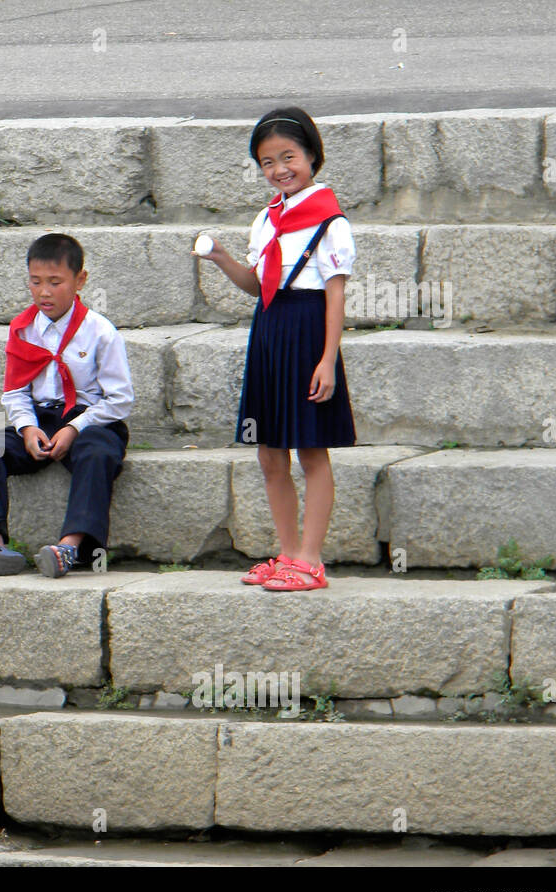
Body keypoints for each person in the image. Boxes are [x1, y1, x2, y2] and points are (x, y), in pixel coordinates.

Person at [195, 106, 357, 591]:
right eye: (268, 162)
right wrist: (221, 257)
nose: (280, 169)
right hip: (268, 332)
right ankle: (287, 553)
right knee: (270, 453)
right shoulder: (266, 219)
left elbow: (335, 296)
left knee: (311, 450)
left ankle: (310, 560)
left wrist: (327, 360)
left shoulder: (330, 222)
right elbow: (258, 285)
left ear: (312, 155)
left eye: (289, 157)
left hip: (308, 334)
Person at [0, 233, 134, 578]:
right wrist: (26, 427)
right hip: (41, 419)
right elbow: (15, 392)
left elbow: (120, 400)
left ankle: (69, 547)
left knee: (98, 455)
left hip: (91, 419)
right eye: (35, 282)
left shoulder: (100, 332)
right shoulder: (23, 330)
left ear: (80, 280)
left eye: (55, 282)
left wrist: (74, 428)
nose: (44, 292)